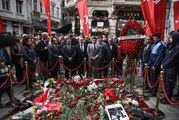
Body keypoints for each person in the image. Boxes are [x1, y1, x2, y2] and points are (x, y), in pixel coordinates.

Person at [161, 33, 179, 104]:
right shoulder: (172, 46)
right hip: (167, 68)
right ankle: (165, 97)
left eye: (171, 38)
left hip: (172, 69)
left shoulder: (177, 47)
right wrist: (163, 64)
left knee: (169, 84)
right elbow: (166, 56)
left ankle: (168, 98)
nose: (170, 39)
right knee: (166, 83)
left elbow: (173, 59)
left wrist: (165, 65)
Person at [147, 33, 166, 97]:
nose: (154, 39)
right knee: (151, 77)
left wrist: (155, 65)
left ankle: (153, 92)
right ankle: (151, 89)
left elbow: (160, 56)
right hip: (151, 63)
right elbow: (151, 54)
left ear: (159, 38)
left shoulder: (161, 45)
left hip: (156, 65)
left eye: (156, 38)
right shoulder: (154, 44)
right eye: (154, 38)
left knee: (155, 78)